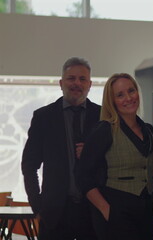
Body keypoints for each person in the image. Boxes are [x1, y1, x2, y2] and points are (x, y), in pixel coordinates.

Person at [22, 57, 99, 240]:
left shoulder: (102, 117)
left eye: (82, 79)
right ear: (61, 82)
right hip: (54, 215)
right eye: (71, 78)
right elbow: (29, 165)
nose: (76, 83)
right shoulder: (43, 117)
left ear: (89, 84)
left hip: (93, 213)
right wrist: (37, 205)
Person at [77, 73, 153, 240]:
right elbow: (83, 176)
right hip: (116, 209)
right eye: (120, 95)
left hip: (145, 212)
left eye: (131, 91)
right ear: (112, 101)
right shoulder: (104, 130)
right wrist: (107, 211)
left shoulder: (149, 130)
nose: (128, 98)